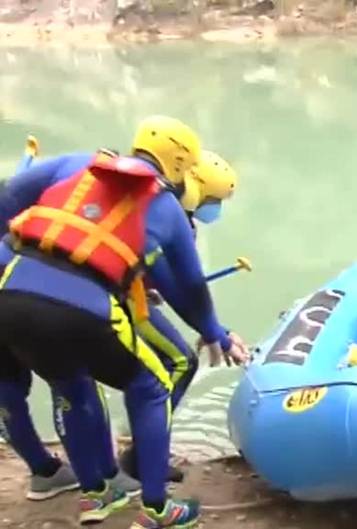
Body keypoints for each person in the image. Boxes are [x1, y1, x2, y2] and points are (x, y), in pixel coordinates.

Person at [0, 115, 249, 528]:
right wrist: (212, 331)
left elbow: (8, 195)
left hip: (9, 297)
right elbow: (187, 288)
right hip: (81, 306)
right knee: (152, 386)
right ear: (179, 164)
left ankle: (96, 496)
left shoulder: (78, 164)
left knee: (70, 390)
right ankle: (156, 509)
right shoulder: (165, 205)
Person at [117, 150, 240, 483]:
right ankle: (143, 458)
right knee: (181, 362)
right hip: (123, 299)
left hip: (124, 291)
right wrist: (216, 332)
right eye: (214, 199)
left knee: (149, 370)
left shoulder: (160, 205)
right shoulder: (170, 214)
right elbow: (184, 286)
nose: (214, 208)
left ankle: (142, 449)